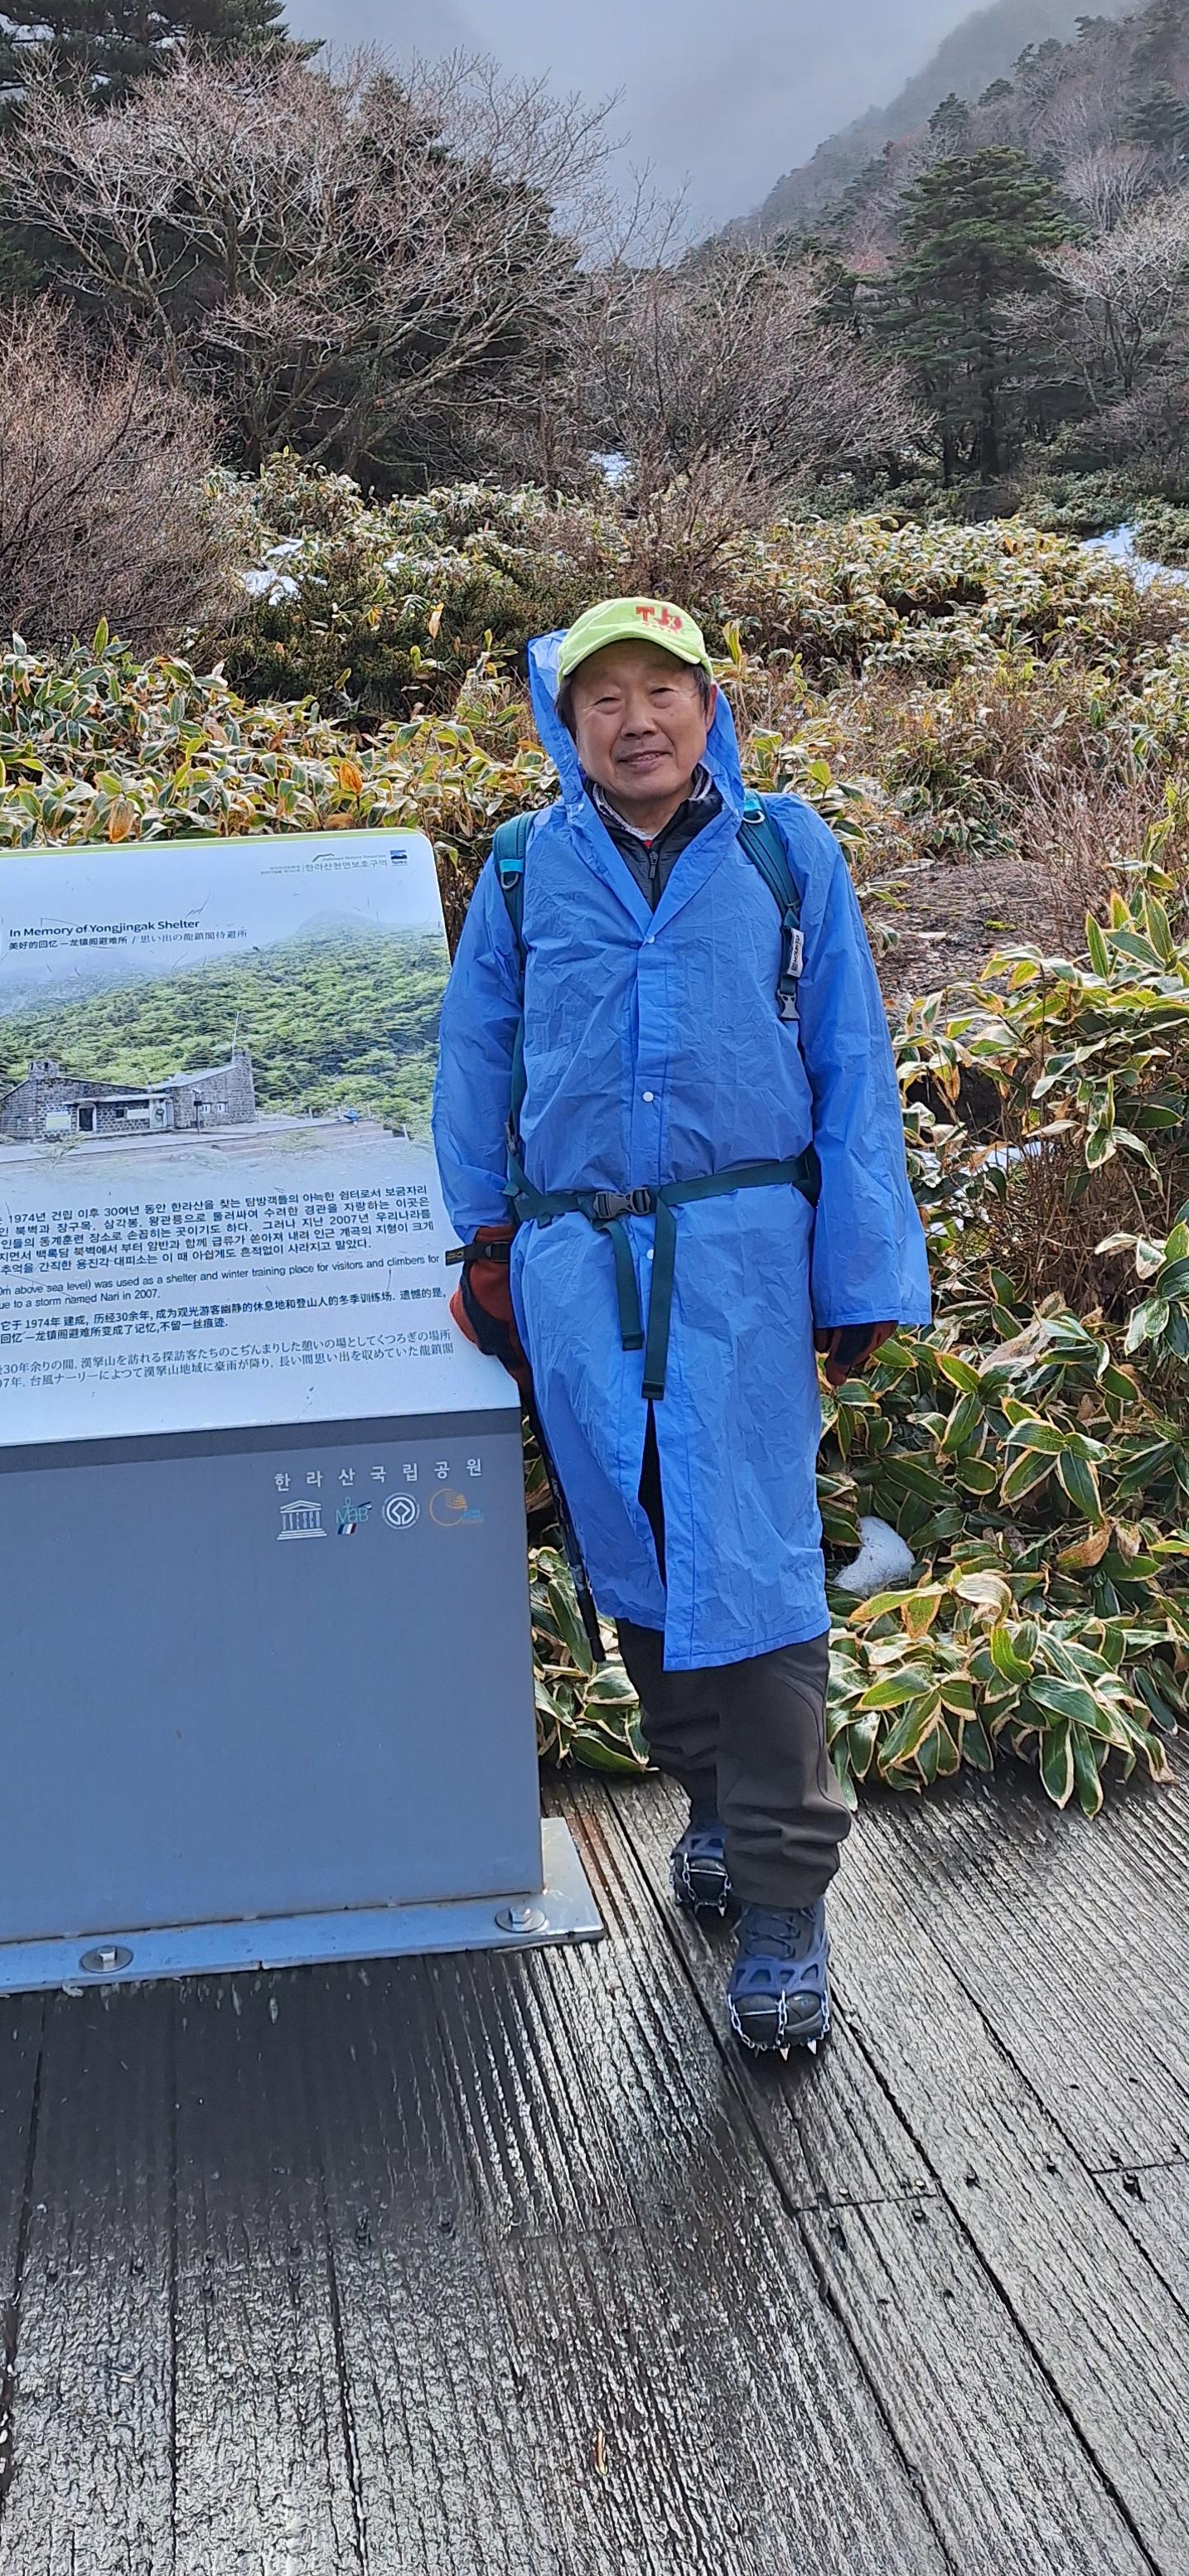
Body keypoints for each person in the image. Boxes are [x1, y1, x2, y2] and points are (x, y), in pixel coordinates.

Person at [433, 596, 930, 2055]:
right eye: (605, 697)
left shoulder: (786, 850)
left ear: (711, 710)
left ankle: (782, 1901)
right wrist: (486, 1242)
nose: (636, 719)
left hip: (743, 1266)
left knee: (757, 1571)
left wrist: (860, 1275)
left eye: (665, 690)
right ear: (566, 722)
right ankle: (709, 1800)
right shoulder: (521, 867)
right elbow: (475, 1059)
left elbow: (850, 1059)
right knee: (636, 1547)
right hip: (578, 1269)